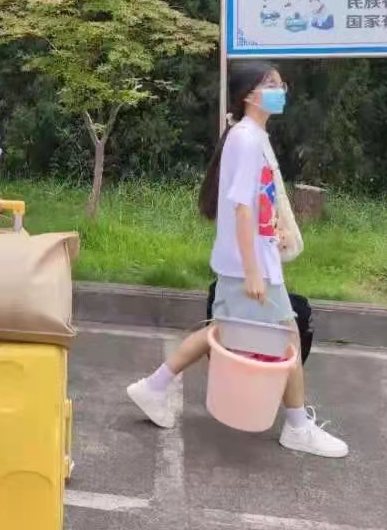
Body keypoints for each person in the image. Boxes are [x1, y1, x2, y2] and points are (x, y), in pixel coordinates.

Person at [126, 62, 348, 458]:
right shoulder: (246, 139)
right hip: (251, 268)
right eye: (271, 84)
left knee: (224, 331)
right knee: (288, 339)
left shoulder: (251, 136)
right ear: (249, 95)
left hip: (249, 261)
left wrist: (273, 233)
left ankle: (153, 387)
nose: (281, 90)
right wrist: (253, 272)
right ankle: (298, 427)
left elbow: (254, 206)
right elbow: (241, 208)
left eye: (281, 83)